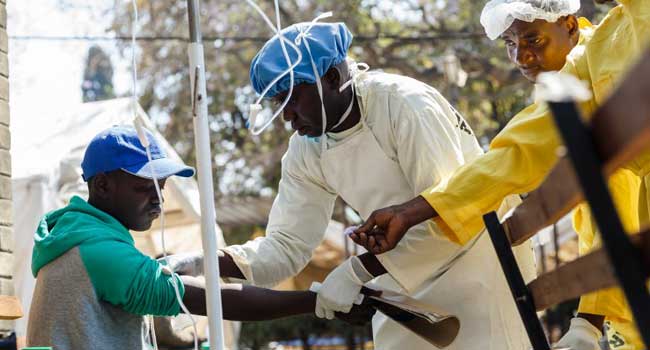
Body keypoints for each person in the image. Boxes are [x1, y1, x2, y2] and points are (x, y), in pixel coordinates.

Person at [170, 21, 536, 350]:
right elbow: (285, 247)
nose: (287, 117)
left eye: (292, 98)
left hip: (479, 268)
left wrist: (358, 270)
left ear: (331, 77)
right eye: (278, 104)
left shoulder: (403, 103)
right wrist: (203, 262)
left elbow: (453, 212)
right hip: (401, 286)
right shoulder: (306, 148)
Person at [351, 0, 650, 349]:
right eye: (511, 45)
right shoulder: (595, 54)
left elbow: (616, 196)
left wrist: (589, 320)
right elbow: (514, 153)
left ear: (568, 26)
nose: (521, 58)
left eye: (533, 41)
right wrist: (410, 211)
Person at [26, 126, 373, 350]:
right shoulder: (98, 251)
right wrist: (316, 301)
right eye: (144, 187)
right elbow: (214, 299)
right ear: (102, 185)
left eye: (161, 187)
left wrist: (197, 260)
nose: (159, 199)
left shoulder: (74, 236)